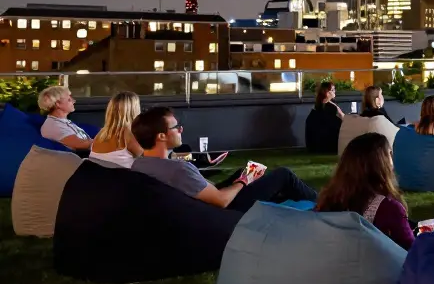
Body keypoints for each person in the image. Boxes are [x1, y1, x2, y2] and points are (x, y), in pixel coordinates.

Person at [131, 107, 318, 212]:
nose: (181, 130)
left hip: (196, 204)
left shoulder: (139, 164)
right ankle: (328, 205)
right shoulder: (177, 170)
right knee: (283, 175)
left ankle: (282, 203)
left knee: (242, 173)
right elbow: (221, 201)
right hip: (218, 212)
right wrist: (244, 181)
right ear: (161, 136)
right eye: (176, 127)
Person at [316, 132, 434, 250]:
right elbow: (410, 251)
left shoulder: (328, 200)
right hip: (383, 270)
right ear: (380, 163)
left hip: (344, 263)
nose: (392, 160)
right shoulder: (388, 208)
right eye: (389, 154)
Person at [337, 85, 399, 157]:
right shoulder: (380, 118)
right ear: (377, 100)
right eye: (381, 95)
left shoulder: (358, 119)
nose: (383, 97)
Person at [87, 91, 142, 168]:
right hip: (121, 178)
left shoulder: (102, 133)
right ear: (134, 110)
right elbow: (147, 157)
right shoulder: (129, 133)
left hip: (97, 177)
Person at [37, 86, 92, 151]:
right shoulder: (54, 126)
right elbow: (82, 144)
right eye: (69, 100)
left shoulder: (62, 122)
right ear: (58, 104)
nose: (74, 101)